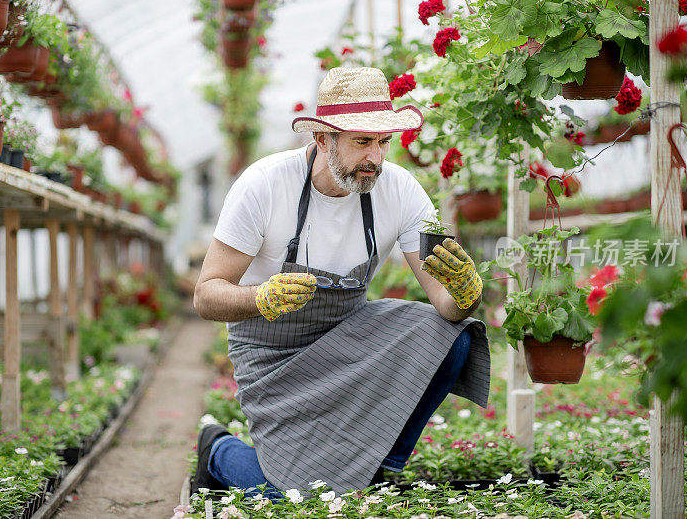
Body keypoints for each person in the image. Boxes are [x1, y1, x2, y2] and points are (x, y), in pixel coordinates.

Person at [191, 67, 490, 497]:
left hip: (349, 340)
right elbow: (205, 295)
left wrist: (465, 293)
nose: (375, 158)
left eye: (384, 142)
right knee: (298, 497)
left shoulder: (401, 190)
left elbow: (445, 305)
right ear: (322, 139)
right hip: (274, 356)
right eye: (362, 142)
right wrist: (262, 297)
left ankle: (383, 470)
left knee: (455, 336)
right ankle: (217, 450)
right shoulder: (263, 186)